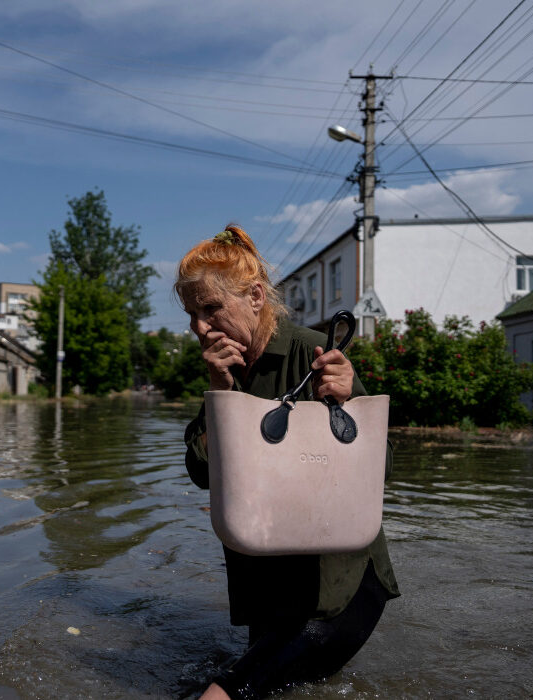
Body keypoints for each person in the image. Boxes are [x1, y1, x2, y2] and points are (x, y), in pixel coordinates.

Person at [176, 225, 399, 700]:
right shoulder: (227, 369)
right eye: (192, 313)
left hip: (336, 591)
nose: (199, 326)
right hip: (268, 590)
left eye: (211, 308)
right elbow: (201, 474)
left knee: (223, 694)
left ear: (255, 296)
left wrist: (343, 401)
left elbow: (381, 469)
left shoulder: (313, 351)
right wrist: (220, 393)